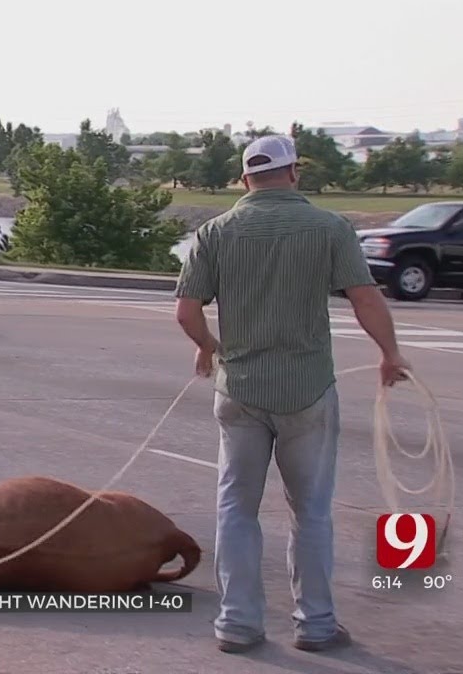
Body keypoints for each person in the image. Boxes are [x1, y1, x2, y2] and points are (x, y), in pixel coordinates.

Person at [173, 134, 411, 655]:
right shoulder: (330, 228)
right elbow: (365, 298)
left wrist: (209, 347)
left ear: (244, 179)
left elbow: (187, 312)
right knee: (311, 512)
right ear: (294, 173)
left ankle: (237, 624)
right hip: (306, 388)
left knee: (236, 506)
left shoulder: (214, 232)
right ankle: (317, 625)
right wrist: (389, 354)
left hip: (239, 389)